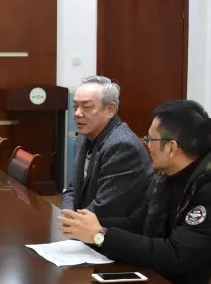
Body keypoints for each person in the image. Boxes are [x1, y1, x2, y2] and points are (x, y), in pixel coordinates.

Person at [60, 99, 211, 284]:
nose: (145, 144)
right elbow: (138, 223)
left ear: (171, 147)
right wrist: (89, 225)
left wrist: (101, 236)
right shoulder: (170, 174)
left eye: (150, 139)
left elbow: (176, 255)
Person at [61, 76, 153, 219]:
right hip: (83, 225)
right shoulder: (82, 138)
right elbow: (73, 189)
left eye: (86, 107)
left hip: (111, 229)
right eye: (75, 107)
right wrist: (66, 215)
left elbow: (105, 208)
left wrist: (73, 221)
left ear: (110, 109)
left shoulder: (122, 146)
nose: (77, 113)